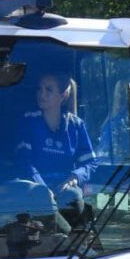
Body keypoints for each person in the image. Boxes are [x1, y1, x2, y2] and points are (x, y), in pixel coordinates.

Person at [16, 73, 97, 212]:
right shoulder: (28, 120)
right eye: (39, 89)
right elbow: (25, 161)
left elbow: (91, 162)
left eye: (49, 89)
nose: (42, 94)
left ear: (63, 95)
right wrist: (42, 189)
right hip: (34, 187)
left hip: (64, 189)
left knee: (74, 199)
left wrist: (75, 176)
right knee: (43, 203)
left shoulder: (76, 125)